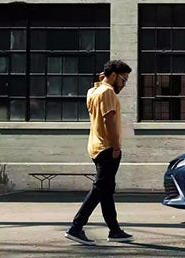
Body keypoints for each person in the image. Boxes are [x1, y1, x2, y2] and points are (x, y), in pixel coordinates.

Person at [64, 60, 134, 245]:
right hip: (107, 147)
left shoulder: (93, 91)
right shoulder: (108, 92)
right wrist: (116, 146)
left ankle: (114, 230)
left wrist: (102, 80)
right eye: (123, 80)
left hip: (95, 145)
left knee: (106, 190)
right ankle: (76, 227)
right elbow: (108, 120)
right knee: (100, 188)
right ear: (113, 76)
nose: (124, 85)